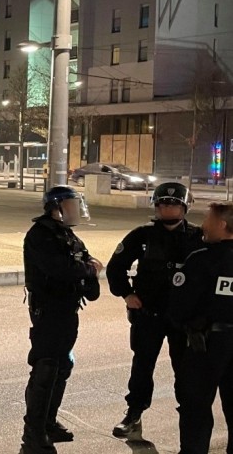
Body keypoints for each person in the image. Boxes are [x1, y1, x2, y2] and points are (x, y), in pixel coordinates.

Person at [107, 182, 203, 438]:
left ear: (185, 207)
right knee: (142, 365)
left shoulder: (198, 237)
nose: (168, 209)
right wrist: (127, 294)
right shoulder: (142, 235)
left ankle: (190, 417)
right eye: (163, 204)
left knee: (185, 369)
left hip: (183, 319)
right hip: (149, 314)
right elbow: (115, 267)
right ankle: (134, 412)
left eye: (174, 205)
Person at [21, 186, 103, 454]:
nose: (76, 210)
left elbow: (86, 266)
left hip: (68, 311)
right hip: (48, 312)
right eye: (71, 205)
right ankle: (34, 433)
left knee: (62, 367)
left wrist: (90, 274)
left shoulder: (68, 235)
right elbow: (61, 269)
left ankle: (49, 422)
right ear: (56, 207)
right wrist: (88, 269)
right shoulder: (41, 235)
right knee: (45, 368)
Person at [169, 202, 233, 454]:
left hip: (207, 345)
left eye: (208, 219)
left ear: (222, 225)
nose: (203, 225)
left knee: (195, 407)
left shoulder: (202, 259)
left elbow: (179, 307)